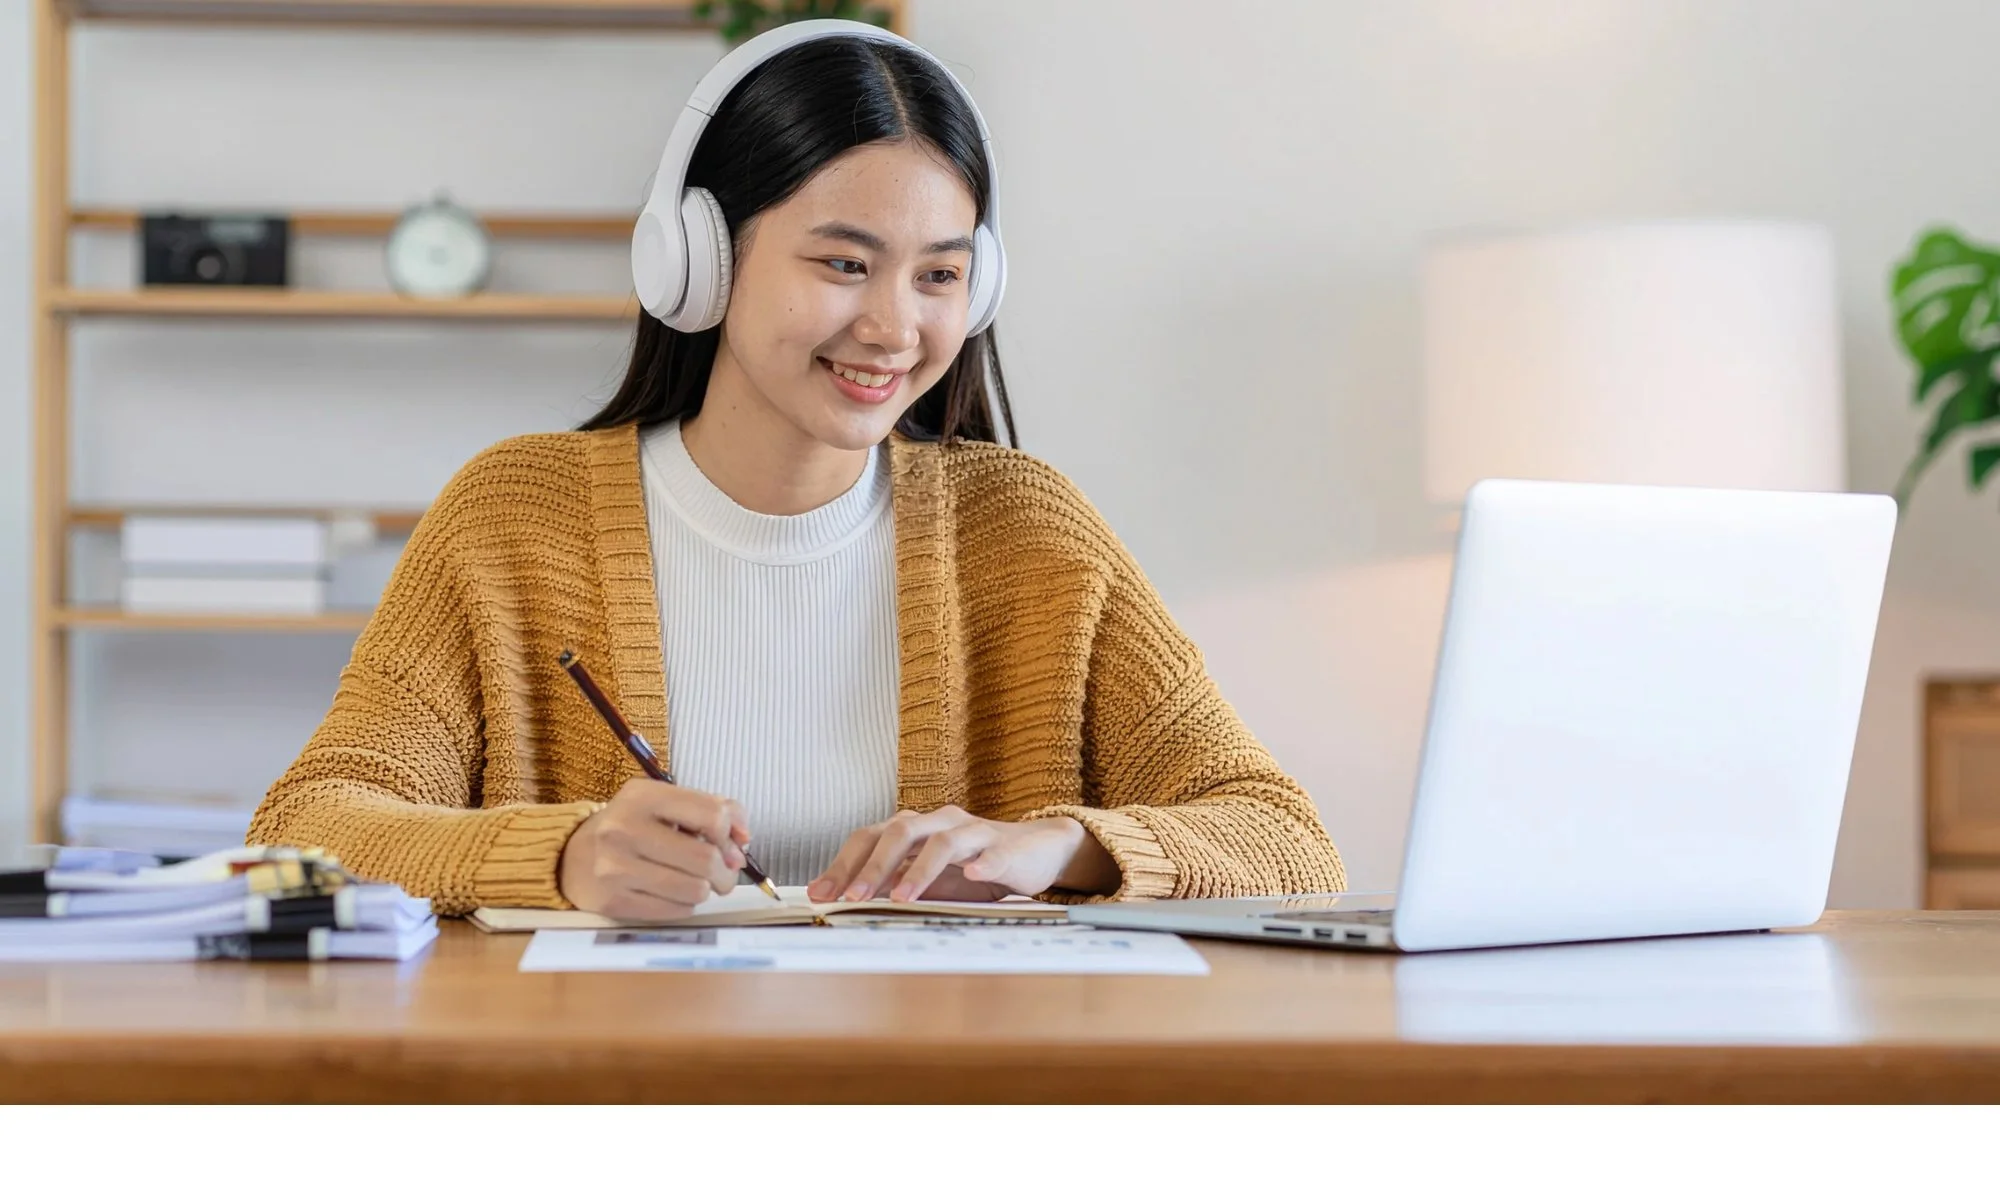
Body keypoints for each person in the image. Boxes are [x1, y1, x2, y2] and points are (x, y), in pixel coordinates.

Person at [249, 23, 1345, 919]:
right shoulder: (512, 518)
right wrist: (564, 853)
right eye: (842, 263)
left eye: (939, 275)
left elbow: (1285, 838)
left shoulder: (1024, 532)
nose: (893, 324)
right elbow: (305, 825)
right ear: (700, 259)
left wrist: (1062, 844)